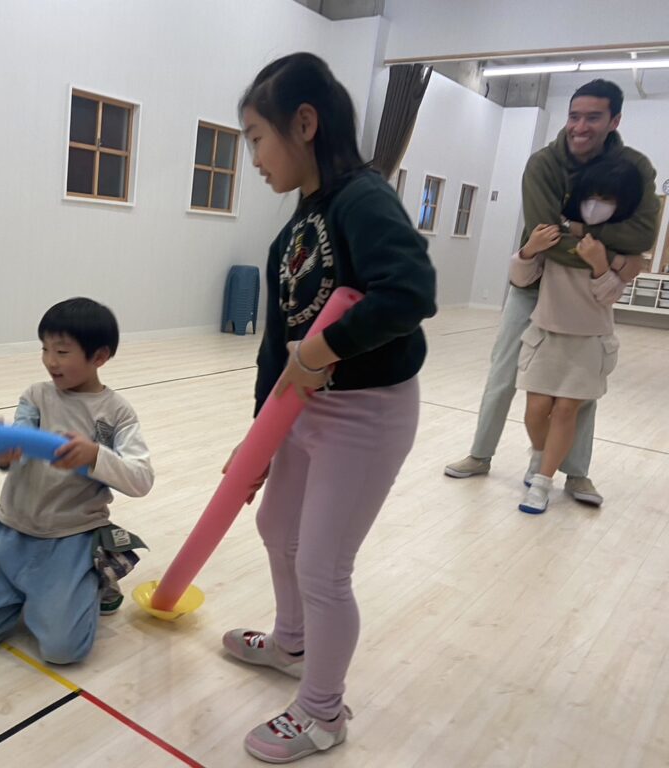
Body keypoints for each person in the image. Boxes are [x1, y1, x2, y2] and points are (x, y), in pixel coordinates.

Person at [220, 53, 436, 763]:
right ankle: (292, 644)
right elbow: (275, 349)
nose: (253, 157)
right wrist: (258, 439)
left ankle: (322, 714)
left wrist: (324, 349)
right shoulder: (293, 230)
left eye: (257, 137)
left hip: (366, 415)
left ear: (305, 123)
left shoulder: (362, 198)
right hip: (302, 410)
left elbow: (410, 292)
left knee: (321, 567)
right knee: (275, 527)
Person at [445, 80, 658, 506]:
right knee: (504, 373)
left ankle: (576, 474)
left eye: (593, 117)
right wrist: (616, 259)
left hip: (589, 295)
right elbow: (544, 234)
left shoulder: (635, 166)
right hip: (534, 283)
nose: (580, 126)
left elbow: (643, 234)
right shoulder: (544, 163)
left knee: (581, 391)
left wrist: (577, 233)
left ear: (614, 120)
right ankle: (481, 454)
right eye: (574, 116)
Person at [0, 298, 154, 664]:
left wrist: (95, 456)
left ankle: (93, 580)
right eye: (44, 349)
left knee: (63, 651)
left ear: (99, 356)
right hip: (12, 531)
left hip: (71, 538)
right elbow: (19, 444)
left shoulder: (117, 413)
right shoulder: (36, 397)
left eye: (62, 351)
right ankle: (28, 592)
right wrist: (4, 454)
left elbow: (141, 479)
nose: (50, 361)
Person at [512, 157, 644, 513]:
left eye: (608, 198)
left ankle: (542, 482)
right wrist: (530, 249)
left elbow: (610, 297)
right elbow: (521, 278)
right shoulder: (554, 232)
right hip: (546, 334)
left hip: (588, 340)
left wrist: (600, 264)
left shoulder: (621, 247)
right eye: (592, 195)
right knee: (535, 411)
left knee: (566, 411)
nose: (597, 204)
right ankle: (540, 456)